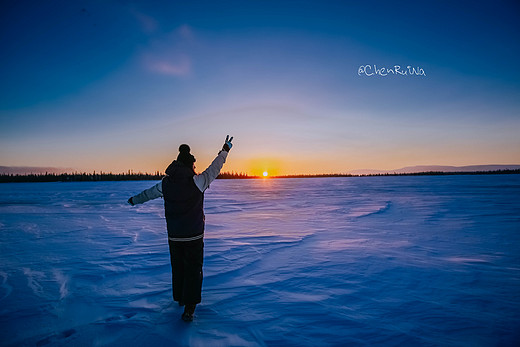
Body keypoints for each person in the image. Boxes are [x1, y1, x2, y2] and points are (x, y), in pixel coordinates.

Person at [127, 135, 233, 322]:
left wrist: (134, 200)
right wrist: (225, 150)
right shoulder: (197, 181)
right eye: (193, 165)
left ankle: (180, 299)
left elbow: (148, 194)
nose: (195, 168)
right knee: (193, 270)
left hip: (175, 236)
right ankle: (189, 308)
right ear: (190, 164)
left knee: (179, 269)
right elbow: (215, 168)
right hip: (193, 236)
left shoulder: (166, 184)